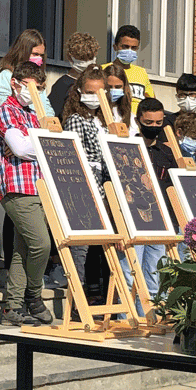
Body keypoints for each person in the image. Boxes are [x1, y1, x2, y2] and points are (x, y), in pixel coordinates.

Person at [0, 61, 54, 326]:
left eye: (39, 88)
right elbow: (19, 148)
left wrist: (36, 140)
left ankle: (12, 307)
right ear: (16, 82)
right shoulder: (7, 110)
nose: (35, 92)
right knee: (42, 244)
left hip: (39, 186)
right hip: (17, 187)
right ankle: (34, 295)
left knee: (22, 249)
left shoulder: (34, 114)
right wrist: (42, 139)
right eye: (31, 86)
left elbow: (49, 144)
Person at [61, 66, 112, 292]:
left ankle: (99, 291)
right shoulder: (76, 119)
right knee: (82, 245)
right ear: (80, 92)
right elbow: (76, 154)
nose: (94, 97)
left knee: (103, 245)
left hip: (105, 186)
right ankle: (77, 292)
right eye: (89, 92)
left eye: (98, 92)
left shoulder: (103, 121)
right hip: (86, 187)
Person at [128, 98, 176, 303]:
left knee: (155, 279)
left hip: (160, 223)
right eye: (149, 123)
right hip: (134, 222)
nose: (154, 127)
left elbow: (174, 188)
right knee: (130, 277)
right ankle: (127, 321)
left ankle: (150, 321)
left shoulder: (167, 153)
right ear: (139, 121)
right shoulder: (127, 148)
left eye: (158, 123)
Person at [102, 24, 153, 115]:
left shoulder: (141, 72)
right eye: (125, 46)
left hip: (136, 124)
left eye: (133, 48)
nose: (129, 51)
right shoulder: (103, 69)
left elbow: (151, 102)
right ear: (115, 47)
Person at [49, 31, 98, 119]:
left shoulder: (99, 81)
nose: (87, 62)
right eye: (82, 58)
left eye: (90, 58)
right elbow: (53, 115)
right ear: (70, 57)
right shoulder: (62, 85)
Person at [103, 61, 138, 136]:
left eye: (118, 87)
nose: (113, 89)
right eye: (109, 87)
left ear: (124, 87)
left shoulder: (130, 116)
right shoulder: (95, 112)